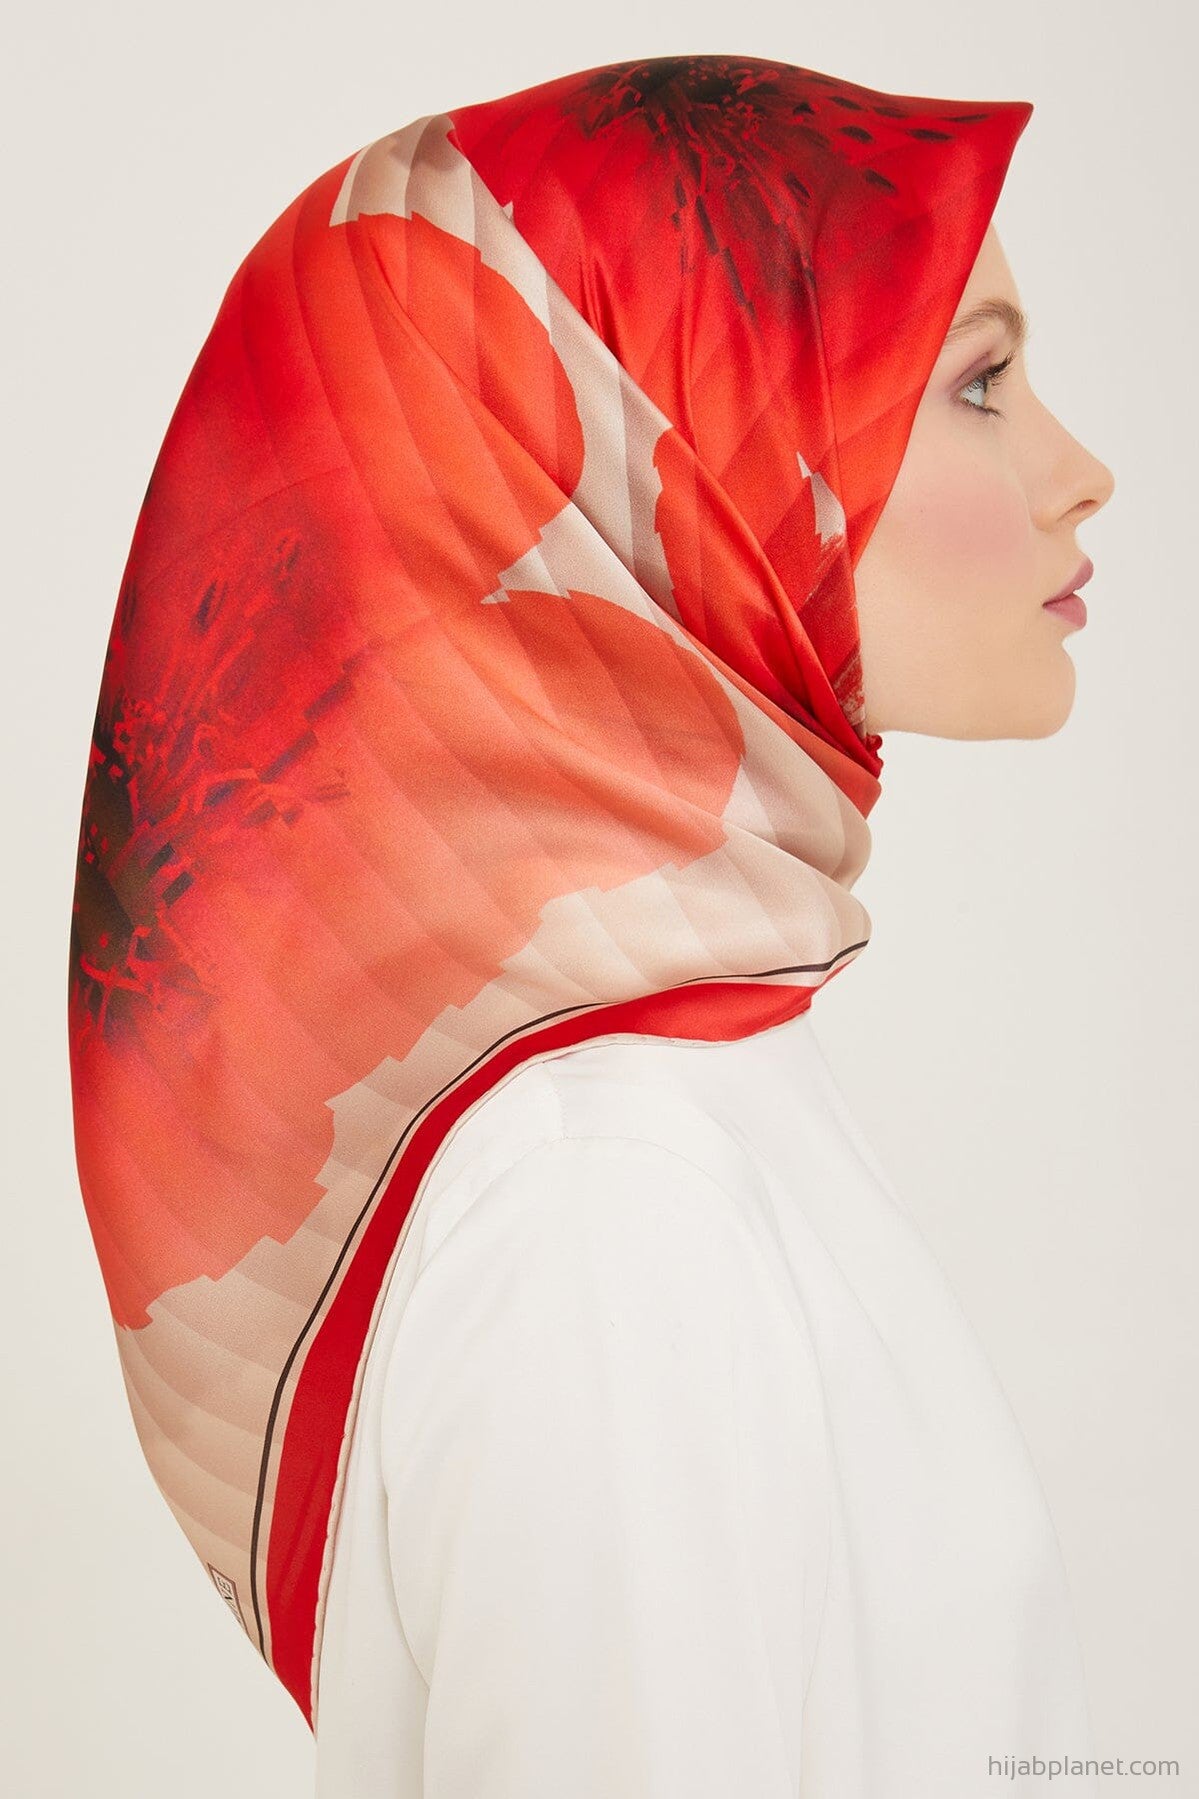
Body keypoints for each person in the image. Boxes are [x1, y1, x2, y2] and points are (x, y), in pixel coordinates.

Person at [65, 52, 1114, 1797]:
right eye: (983, 383)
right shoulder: (608, 1208)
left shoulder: (689, 1109)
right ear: (672, 466)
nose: (1086, 474)